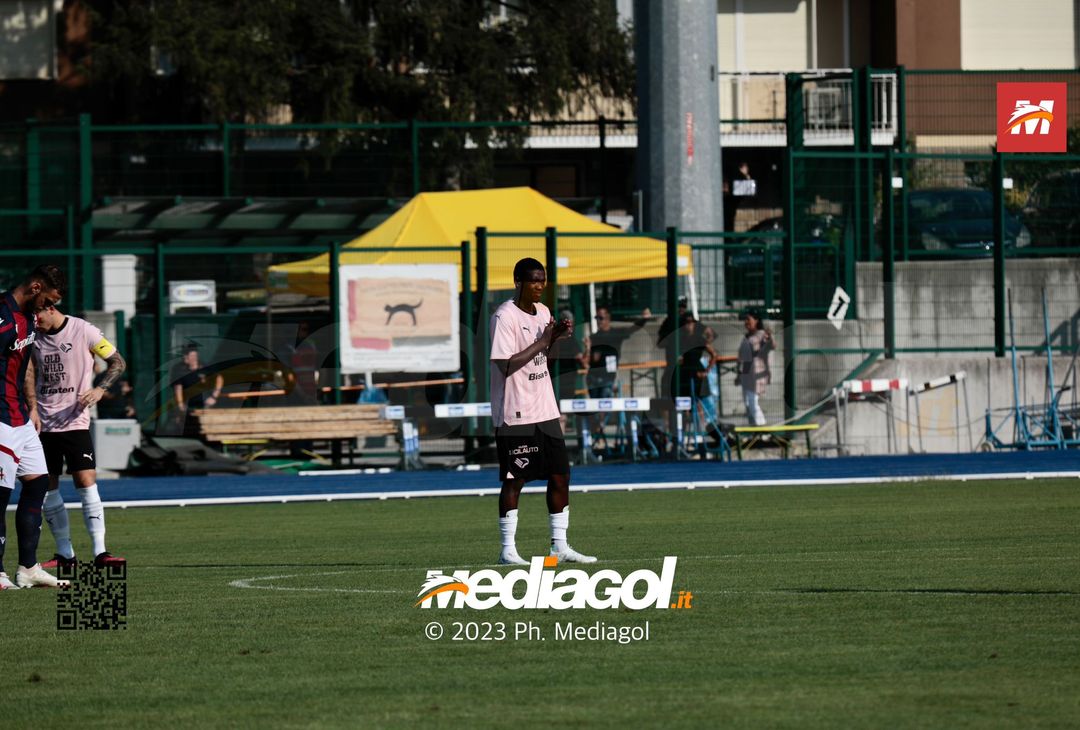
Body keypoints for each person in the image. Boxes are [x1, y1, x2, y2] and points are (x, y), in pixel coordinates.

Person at [490, 257, 595, 566]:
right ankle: (508, 549)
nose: (539, 286)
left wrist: (556, 339)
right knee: (515, 479)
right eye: (533, 280)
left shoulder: (544, 313)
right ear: (517, 281)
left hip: (545, 409)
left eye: (543, 280)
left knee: (561, 475)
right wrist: (543, 341)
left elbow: (546, 360)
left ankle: (559, 546)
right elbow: (505, 364)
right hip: (516, 411)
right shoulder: (504, 317)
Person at [30, 305, 127, 569]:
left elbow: (118, 362)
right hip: (42, 423)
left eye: (37, 314)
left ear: (50, 308)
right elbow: (27, 373)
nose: (34, 320)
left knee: (86, 481)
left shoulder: (83, 330)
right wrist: (32, 408)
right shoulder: (32, 334)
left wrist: (99, 390)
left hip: (75, 421)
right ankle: (65, 554)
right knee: (46, 487)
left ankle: (100, 552)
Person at [0, 265, 67, 589]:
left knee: (39, 483)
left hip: (21, 419)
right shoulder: (2, 316)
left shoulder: (28, 320)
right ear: (36, 286)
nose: (49, 308)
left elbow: (24, 367)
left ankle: (28, 568)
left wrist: (33, 406)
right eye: (48, 300)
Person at [169, 343, 225, 437]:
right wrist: (180, 404)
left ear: (194, 356)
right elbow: (178, 388)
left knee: (205, 428)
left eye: (187, 355)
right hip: (187, 405)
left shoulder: (205, 367)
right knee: (184, 427)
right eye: (184, 355)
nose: (184, 357)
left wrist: (214, 396)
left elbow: (219, 378)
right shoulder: (178, 369)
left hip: (204, 404)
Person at [737, 309, 773, 426]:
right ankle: (753, 429)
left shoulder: (762, 334)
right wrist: (740, 373)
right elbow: (743, 356)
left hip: (757, 373)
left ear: (756, 320)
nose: (746, 322)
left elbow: (770, 345)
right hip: (746, 374)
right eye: (745, 320)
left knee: (753, 402)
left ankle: (762, 429)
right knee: (747, 403)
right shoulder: (747, 337)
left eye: (749, 319)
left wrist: (769, 337)